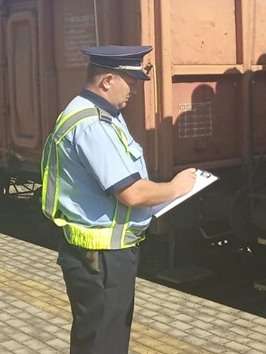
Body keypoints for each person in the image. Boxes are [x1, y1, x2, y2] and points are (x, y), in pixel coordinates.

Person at [40, 45, 197, 354]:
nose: (134, 91)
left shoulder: (102, 115)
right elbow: (132, 192)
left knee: (101, 338)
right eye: (131, 83)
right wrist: (177, 187)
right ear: (108, 80)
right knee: (103, 343)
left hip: (100, 255)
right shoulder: (92, 125)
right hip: (100, 259)